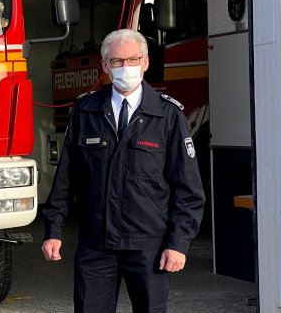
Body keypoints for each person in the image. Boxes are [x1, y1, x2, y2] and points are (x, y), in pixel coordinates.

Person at [41, 29, 206, 313]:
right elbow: (67, 179)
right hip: (96, 244)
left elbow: (188, 189)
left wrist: (178, 243)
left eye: (132, 59)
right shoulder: (86, 111)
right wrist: (53, 228)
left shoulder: (167, 116)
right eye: (117, 61)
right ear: (105, 65)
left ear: (145, 62)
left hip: (148, 245)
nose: (125, 67)